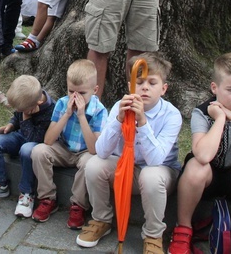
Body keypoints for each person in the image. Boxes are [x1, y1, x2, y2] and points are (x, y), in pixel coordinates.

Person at [77, 53, 181, 252]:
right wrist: (118, 120)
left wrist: (142, 122)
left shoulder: (171, 115)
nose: (145, 88)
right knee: (94, 165)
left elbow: (155, 160)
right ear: (130, 85)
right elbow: (101, 151)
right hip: (126, 168)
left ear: (164, 89)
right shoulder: (119, 106)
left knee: (150, 176)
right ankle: (101, 220)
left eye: (152, 83)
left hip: (159, 173)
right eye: (139, 82)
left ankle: (153, 235)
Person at [167, 53, 231, 254]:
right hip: (207, 178)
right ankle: (183, 229)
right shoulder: (201, 112)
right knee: (196, 167)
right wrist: (220, 119)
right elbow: (203, 155)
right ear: (215, 88)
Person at [31, 59, 107, 226]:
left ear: (94, 91)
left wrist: (81, 116)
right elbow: (48, 140)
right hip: (64, 149)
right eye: (71, 91)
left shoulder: (99, 110)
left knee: (90, 162)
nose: (75, 97)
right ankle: (47, 199)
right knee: (39, 151)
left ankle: (78, 205)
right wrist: (66, 114)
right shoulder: (62, 103)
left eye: (81, 93)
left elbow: (94, 149)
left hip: (85, 152)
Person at [0, 75, 55, 218]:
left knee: (26, 149)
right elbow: (17, 116)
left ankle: (27, 193)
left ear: (37, 103)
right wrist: (10, 125)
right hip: (21, 134)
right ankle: (0, 184)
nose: (19, 111)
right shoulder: (26, 103)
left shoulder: (50, 111)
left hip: (36, 143)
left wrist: (25, 118)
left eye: (21, 110)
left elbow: (33, 138)